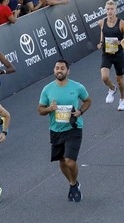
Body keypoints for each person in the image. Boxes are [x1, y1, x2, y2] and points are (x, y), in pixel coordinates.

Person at [37, 59, 91, 202]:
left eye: (62, 68)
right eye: (56, 68)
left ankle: (74, 183)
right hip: (56, 130)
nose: (59, 70)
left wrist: (80, 111)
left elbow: (88, 101)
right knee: (61, 161)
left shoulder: (77, 87)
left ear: (68, 71)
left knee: (70, 161)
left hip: (73, 128)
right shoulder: (47, 89)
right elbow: (40, 110)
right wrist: (49, 109)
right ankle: (73, 183)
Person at [98, 0, 124, 112]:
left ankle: (122, 99)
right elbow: (102, 32)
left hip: (118, 55)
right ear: (105, 10)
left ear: (116, 10)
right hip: (106, 53)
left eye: (112, 9)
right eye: (107, 9)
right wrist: (101, 42)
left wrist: (120, 41)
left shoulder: (121, 23)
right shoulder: (102, 22)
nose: (110, 11)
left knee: (120, 80)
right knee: (104, 77)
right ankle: (112, 89)